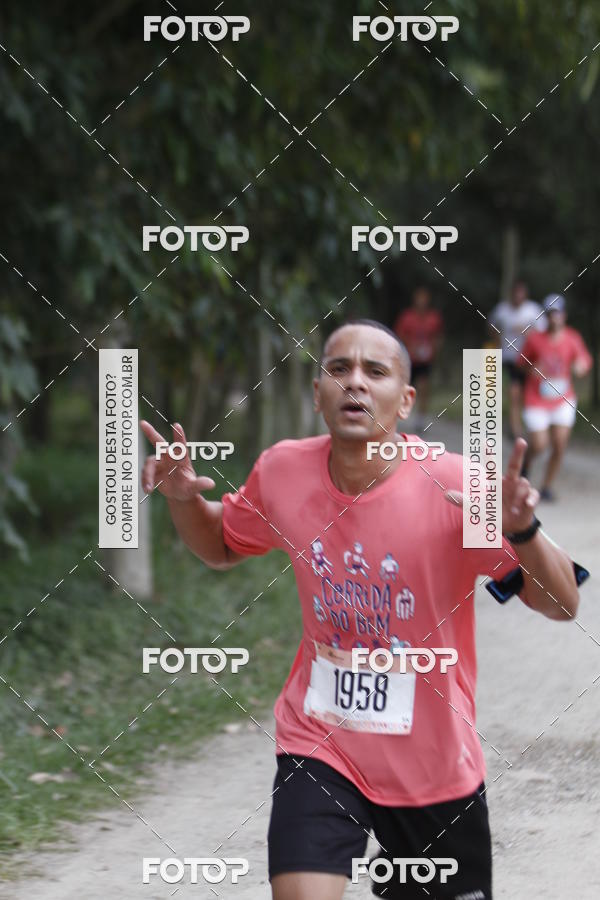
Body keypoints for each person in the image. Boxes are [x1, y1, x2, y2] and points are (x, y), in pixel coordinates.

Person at [141, 320, 581, 900]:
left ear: (405, 400)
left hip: (434, 766)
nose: (355, 383)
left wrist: (522, 530)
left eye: (375, 372)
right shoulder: (282, 470)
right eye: (338, 368)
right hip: (320, 743)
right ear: (317, 390)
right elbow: (222, 544)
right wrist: (184, 500)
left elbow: (561, 604)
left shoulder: (456, 486)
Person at [519, 293, 592, 500]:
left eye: (557, 313)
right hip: (536, 399)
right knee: (540, 444)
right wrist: (531, 369)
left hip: (563, 399)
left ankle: (547, 486)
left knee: (560, 443)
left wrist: (581, 366)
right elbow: (521, 364)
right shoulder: (534, 339)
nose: (554, 318)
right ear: (546, 316)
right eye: (550, 314)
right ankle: (527, 462)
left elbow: (584, 361)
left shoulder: (572, 338)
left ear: (564, 315)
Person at [489, 281, 543, 440]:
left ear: (525, 295)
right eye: (515, 293)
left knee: (527, 396)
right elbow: (491, 326)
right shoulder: (502, 310)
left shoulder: (533, 310)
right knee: (513, 394)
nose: (518, 296)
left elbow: (543, 333)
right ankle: (517, 432)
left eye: (521, 293)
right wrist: (498, 339)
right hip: (509, 358)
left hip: (528, 360)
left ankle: (528, 427)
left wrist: (527, 332)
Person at [392, 286, 443, 426]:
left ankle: (421, 419)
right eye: (419, 299)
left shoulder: (434, 318)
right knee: (402, 387)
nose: (422, 302)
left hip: (425, 360)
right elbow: (399, 336)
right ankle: (396, 413)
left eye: (424, 299)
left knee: (424, 387)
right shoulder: (407, 317)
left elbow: (438, 337)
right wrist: (409, 348)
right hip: (409, 359)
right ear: (415, 300)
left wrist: (433, 350)